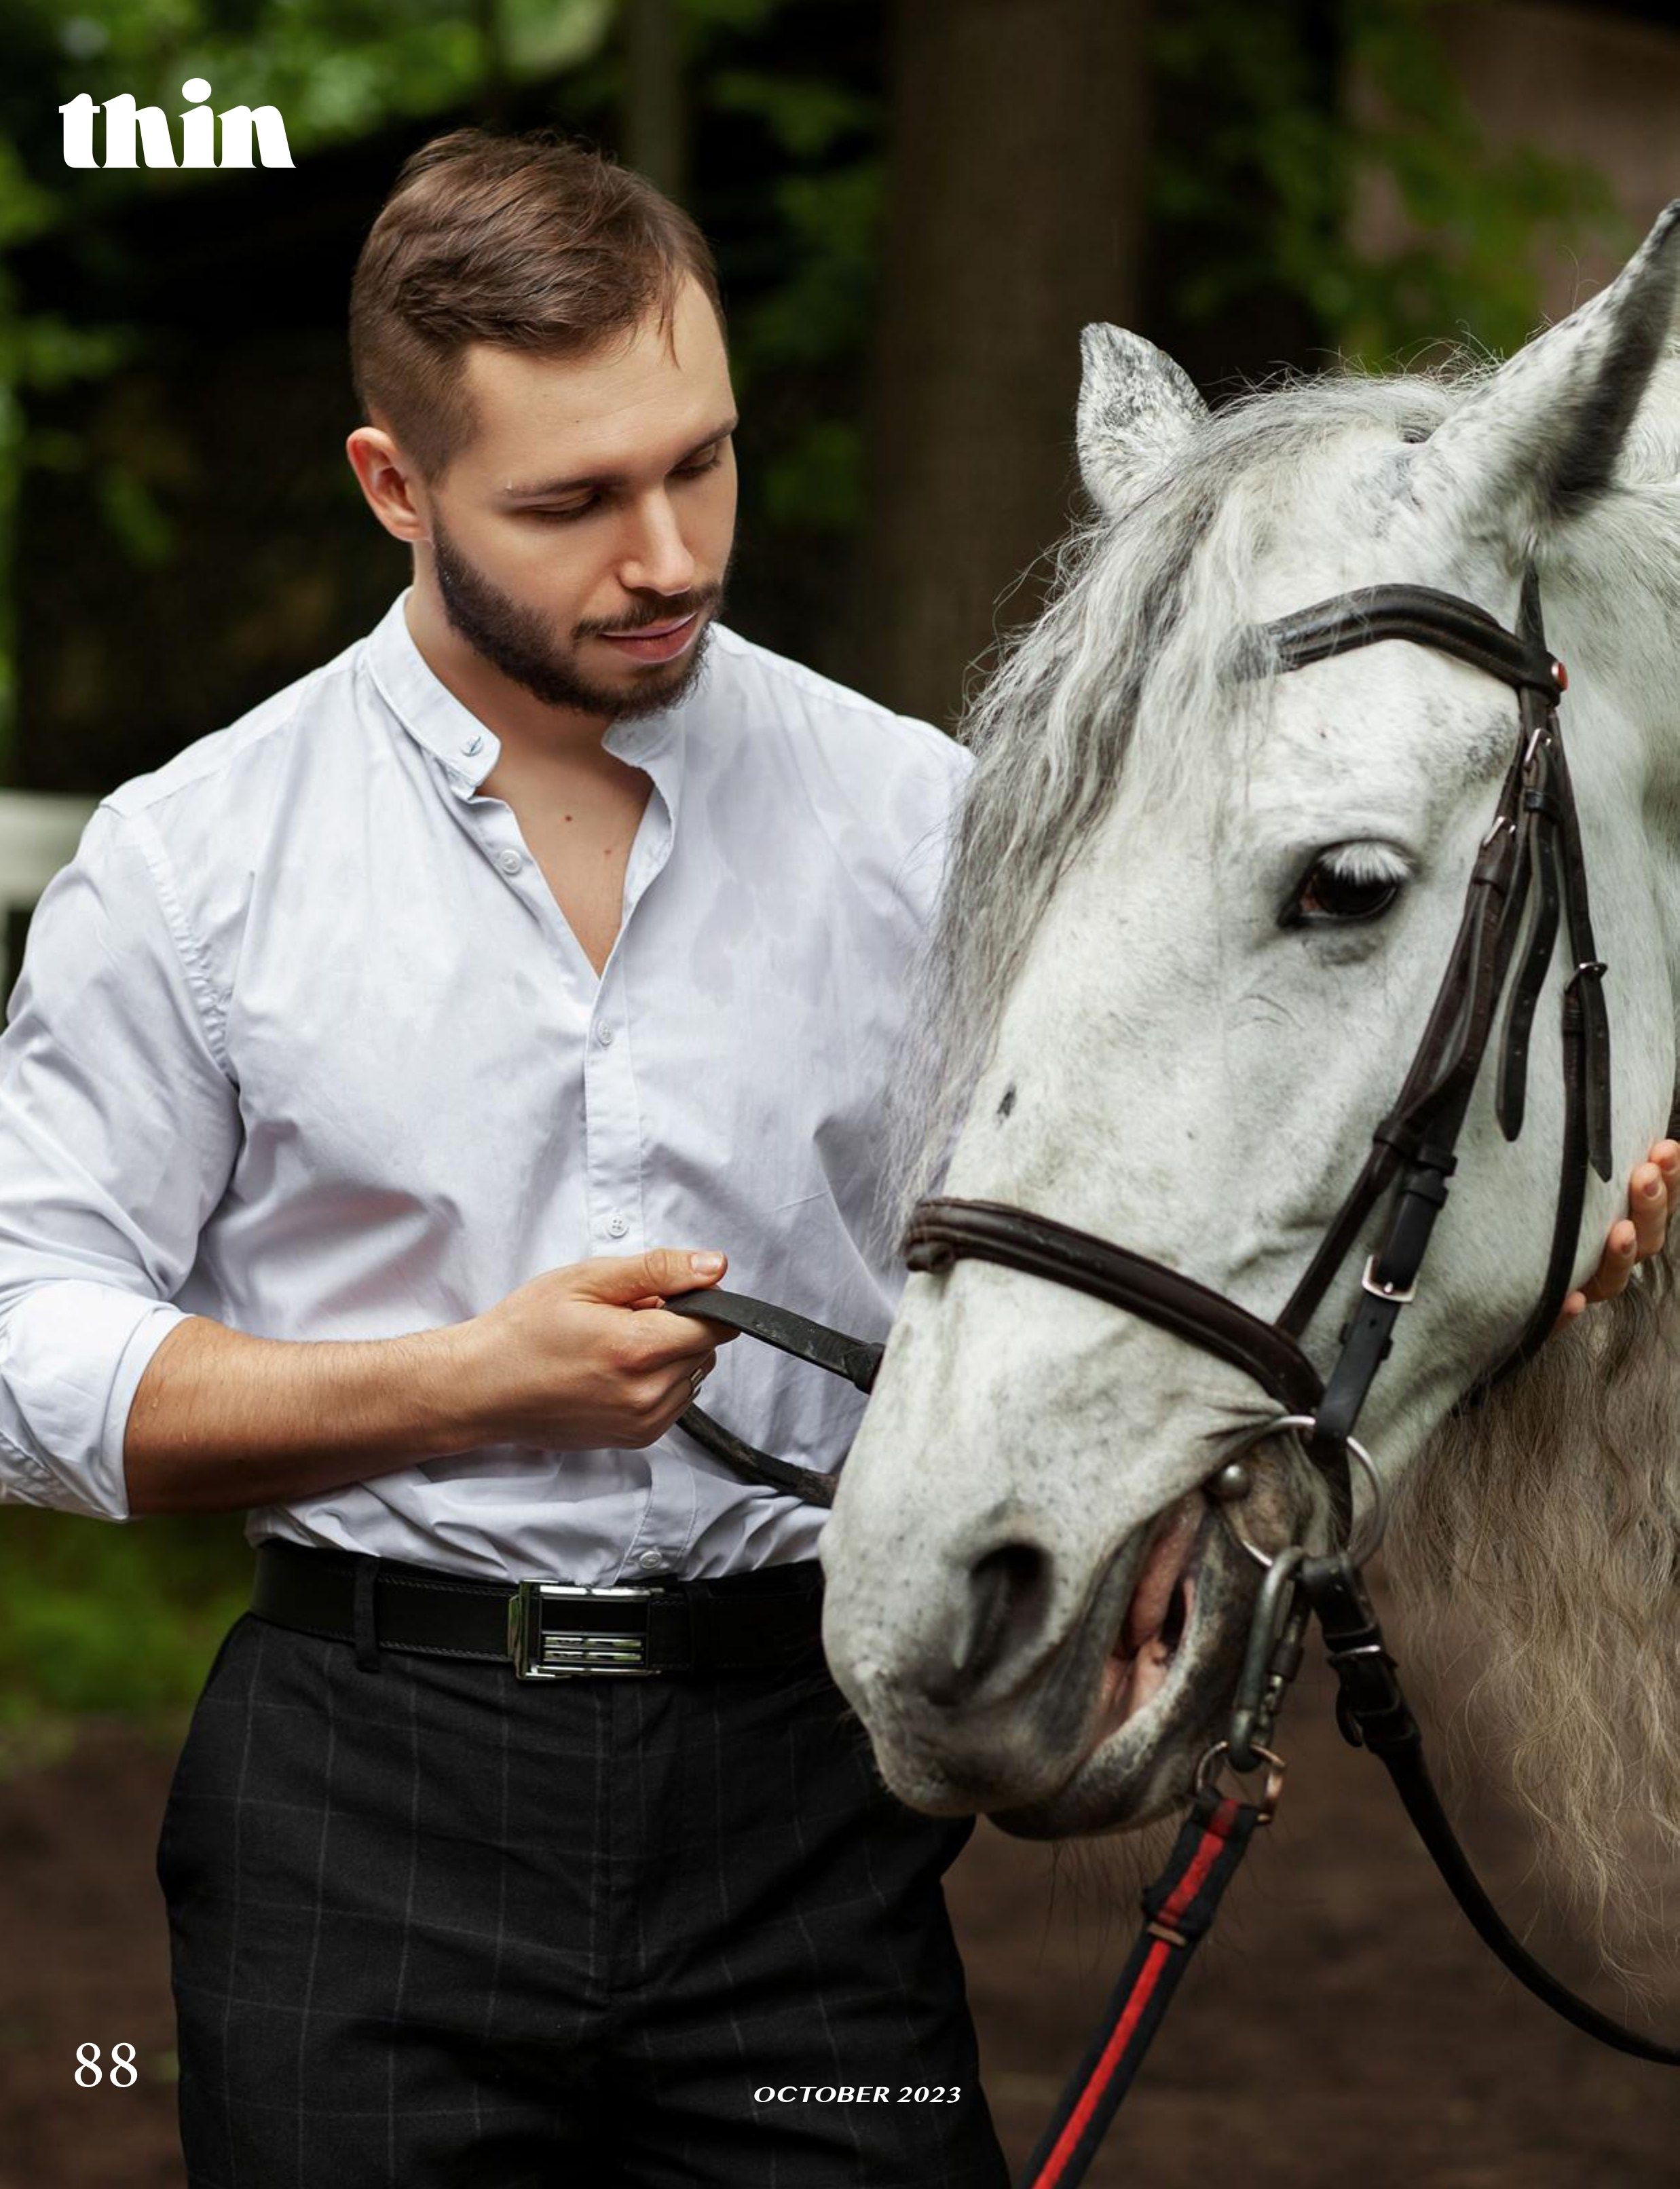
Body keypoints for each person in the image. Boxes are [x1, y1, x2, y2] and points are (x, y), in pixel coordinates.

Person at [0, 125, 1670, 2189]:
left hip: (798, 1823)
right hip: (362, 1811)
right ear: (393, 488)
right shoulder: (190, 865)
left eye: (700, 463)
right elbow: (27, 1353)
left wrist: (1536, 1250)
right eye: (572, 502)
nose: (668, 554)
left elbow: (1173, 1206)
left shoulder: (928, 820)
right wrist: (461, 1385)